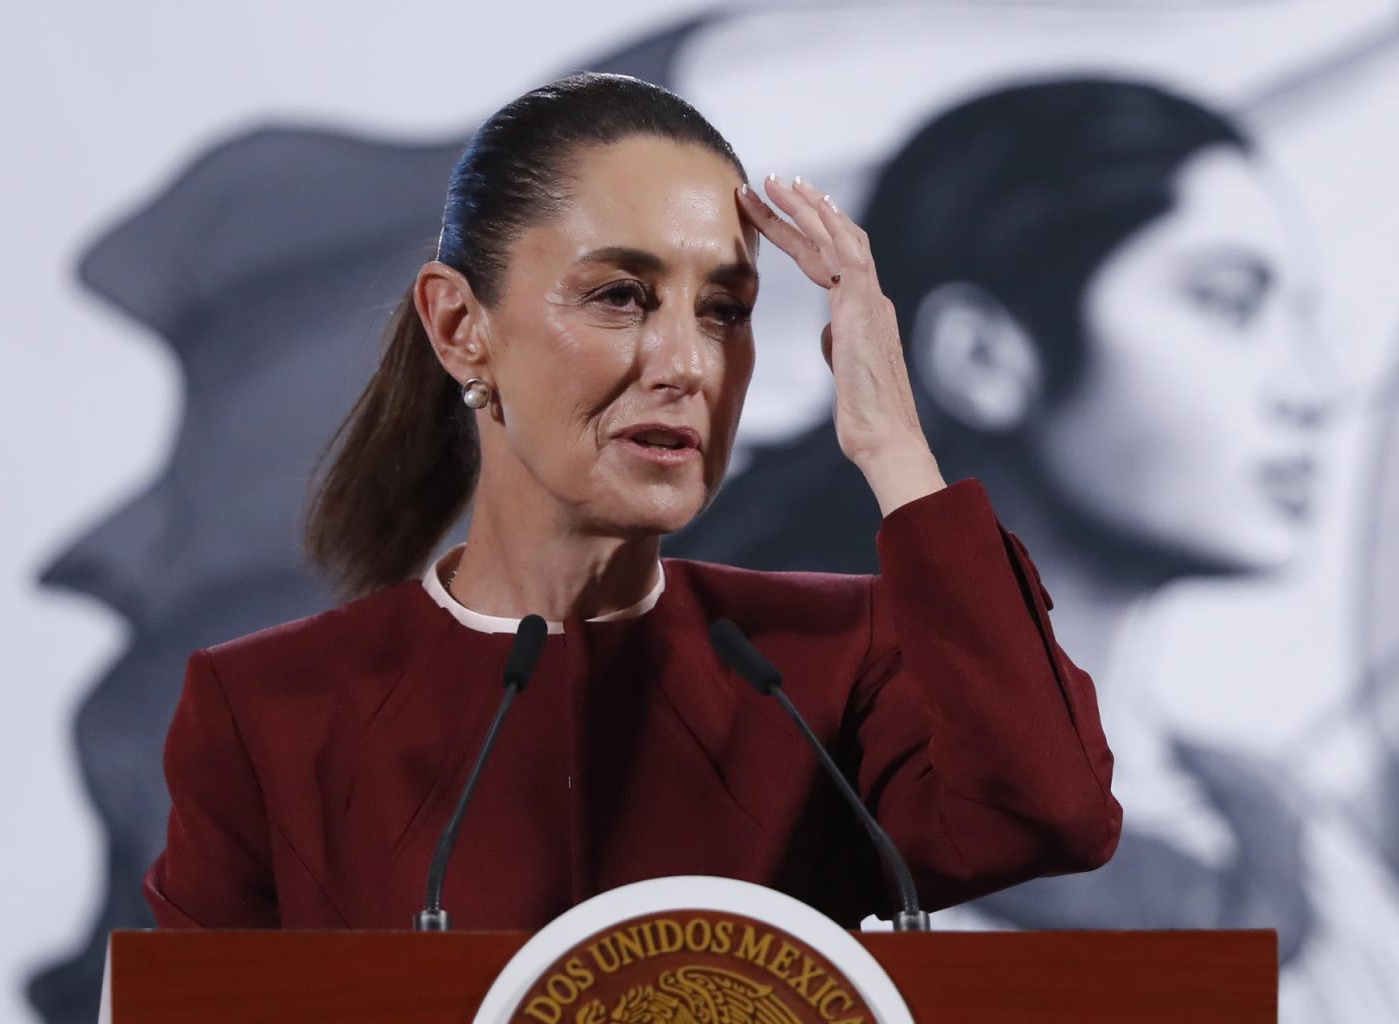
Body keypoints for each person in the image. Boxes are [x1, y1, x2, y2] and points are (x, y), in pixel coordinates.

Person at [142, 72, 1120, 931]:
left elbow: (1049, 811)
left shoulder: (823, 667)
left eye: (725, 311)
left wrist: (895, 444)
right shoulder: (272, 710)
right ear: (460, 326)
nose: (687, 365)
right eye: (620, 295)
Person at [670, 78, 1399, 1019]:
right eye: (1228, 303)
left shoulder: (1299, 844)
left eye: (1299, 318)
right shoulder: (760, 811)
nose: (1311, 387)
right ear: (985, 356)